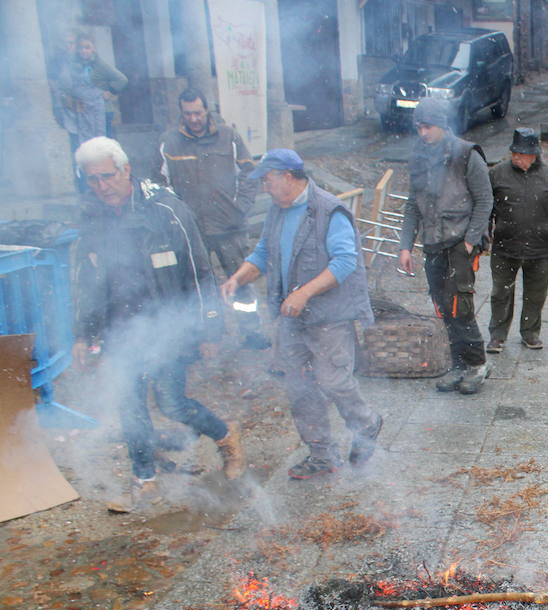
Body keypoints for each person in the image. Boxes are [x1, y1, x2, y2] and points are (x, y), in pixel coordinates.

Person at [69, 137, 243, 513]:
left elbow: (198, 273)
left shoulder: (167, 211)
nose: (101, 186)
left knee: (172, 403)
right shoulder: (92, 219)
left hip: (169, 328)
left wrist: (210, 330)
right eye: (93, 179)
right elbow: (87, 282)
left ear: (126, 169)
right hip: (122, 332)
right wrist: (84, 334)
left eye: (107, 176)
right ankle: (144, 482)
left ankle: (226, 437)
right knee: (130, 406)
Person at [221, 149, 383, 480]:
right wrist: (238, 278)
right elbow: (263, 253)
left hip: (328, 315)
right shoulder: (277, 212)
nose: (265, 187)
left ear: (288, 177)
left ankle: (366, 423)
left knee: (333, 380)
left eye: (268, 180)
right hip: (290, 318)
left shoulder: (329, 211)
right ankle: (322, 454)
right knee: (299, 386)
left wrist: (304, 292)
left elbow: (344, 262)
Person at [156, 88, 268, 350]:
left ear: (207, 110)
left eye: (197, 112)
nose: (193, 118)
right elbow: (159, 182)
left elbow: (249, 173)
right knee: (198, 285)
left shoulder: (228, 136)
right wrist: (177, 216)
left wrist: (240, 207)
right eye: (187, 114)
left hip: (229, 226)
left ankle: (251, 332)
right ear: (181, 114)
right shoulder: (169, 142)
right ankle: (207, 335)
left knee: (240, 281)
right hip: (192, 229)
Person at [398, 97, 494, 394]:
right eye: (419, 127)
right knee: (442, 307)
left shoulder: (466, 154)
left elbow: (485, 199)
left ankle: (477, 364)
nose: (423, 133)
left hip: (459, 241)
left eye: (428, 127)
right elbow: (413, 204)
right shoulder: (419, 159)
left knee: (460, 305)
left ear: (442, 125)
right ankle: (458, 364)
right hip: (432, 243)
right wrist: (405, 245)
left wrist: (470, 240)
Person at [486, 128, 548, 352]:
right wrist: (483, 236)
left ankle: (530, 333)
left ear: (533, 155)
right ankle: (497, 335)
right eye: (514, 152)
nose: (516, 157)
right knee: (500, 293)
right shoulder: (497, 174)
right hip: (505, 246)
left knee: (535, 295)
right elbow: (485, 208)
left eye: (521, 153)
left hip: (540, 247)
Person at [53, 32, 126, 186]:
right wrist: (71, 101)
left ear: (93, 49)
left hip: (102, 112)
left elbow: (121, 79)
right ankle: (87, 184)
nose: (84, 51)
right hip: (82, 113)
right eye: (81, 48)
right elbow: (65, 89)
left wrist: (109, 92)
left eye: (87, 48)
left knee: (104, 149)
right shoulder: (73, 66)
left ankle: (112, 180)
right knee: (84, 150)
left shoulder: (99, 64)